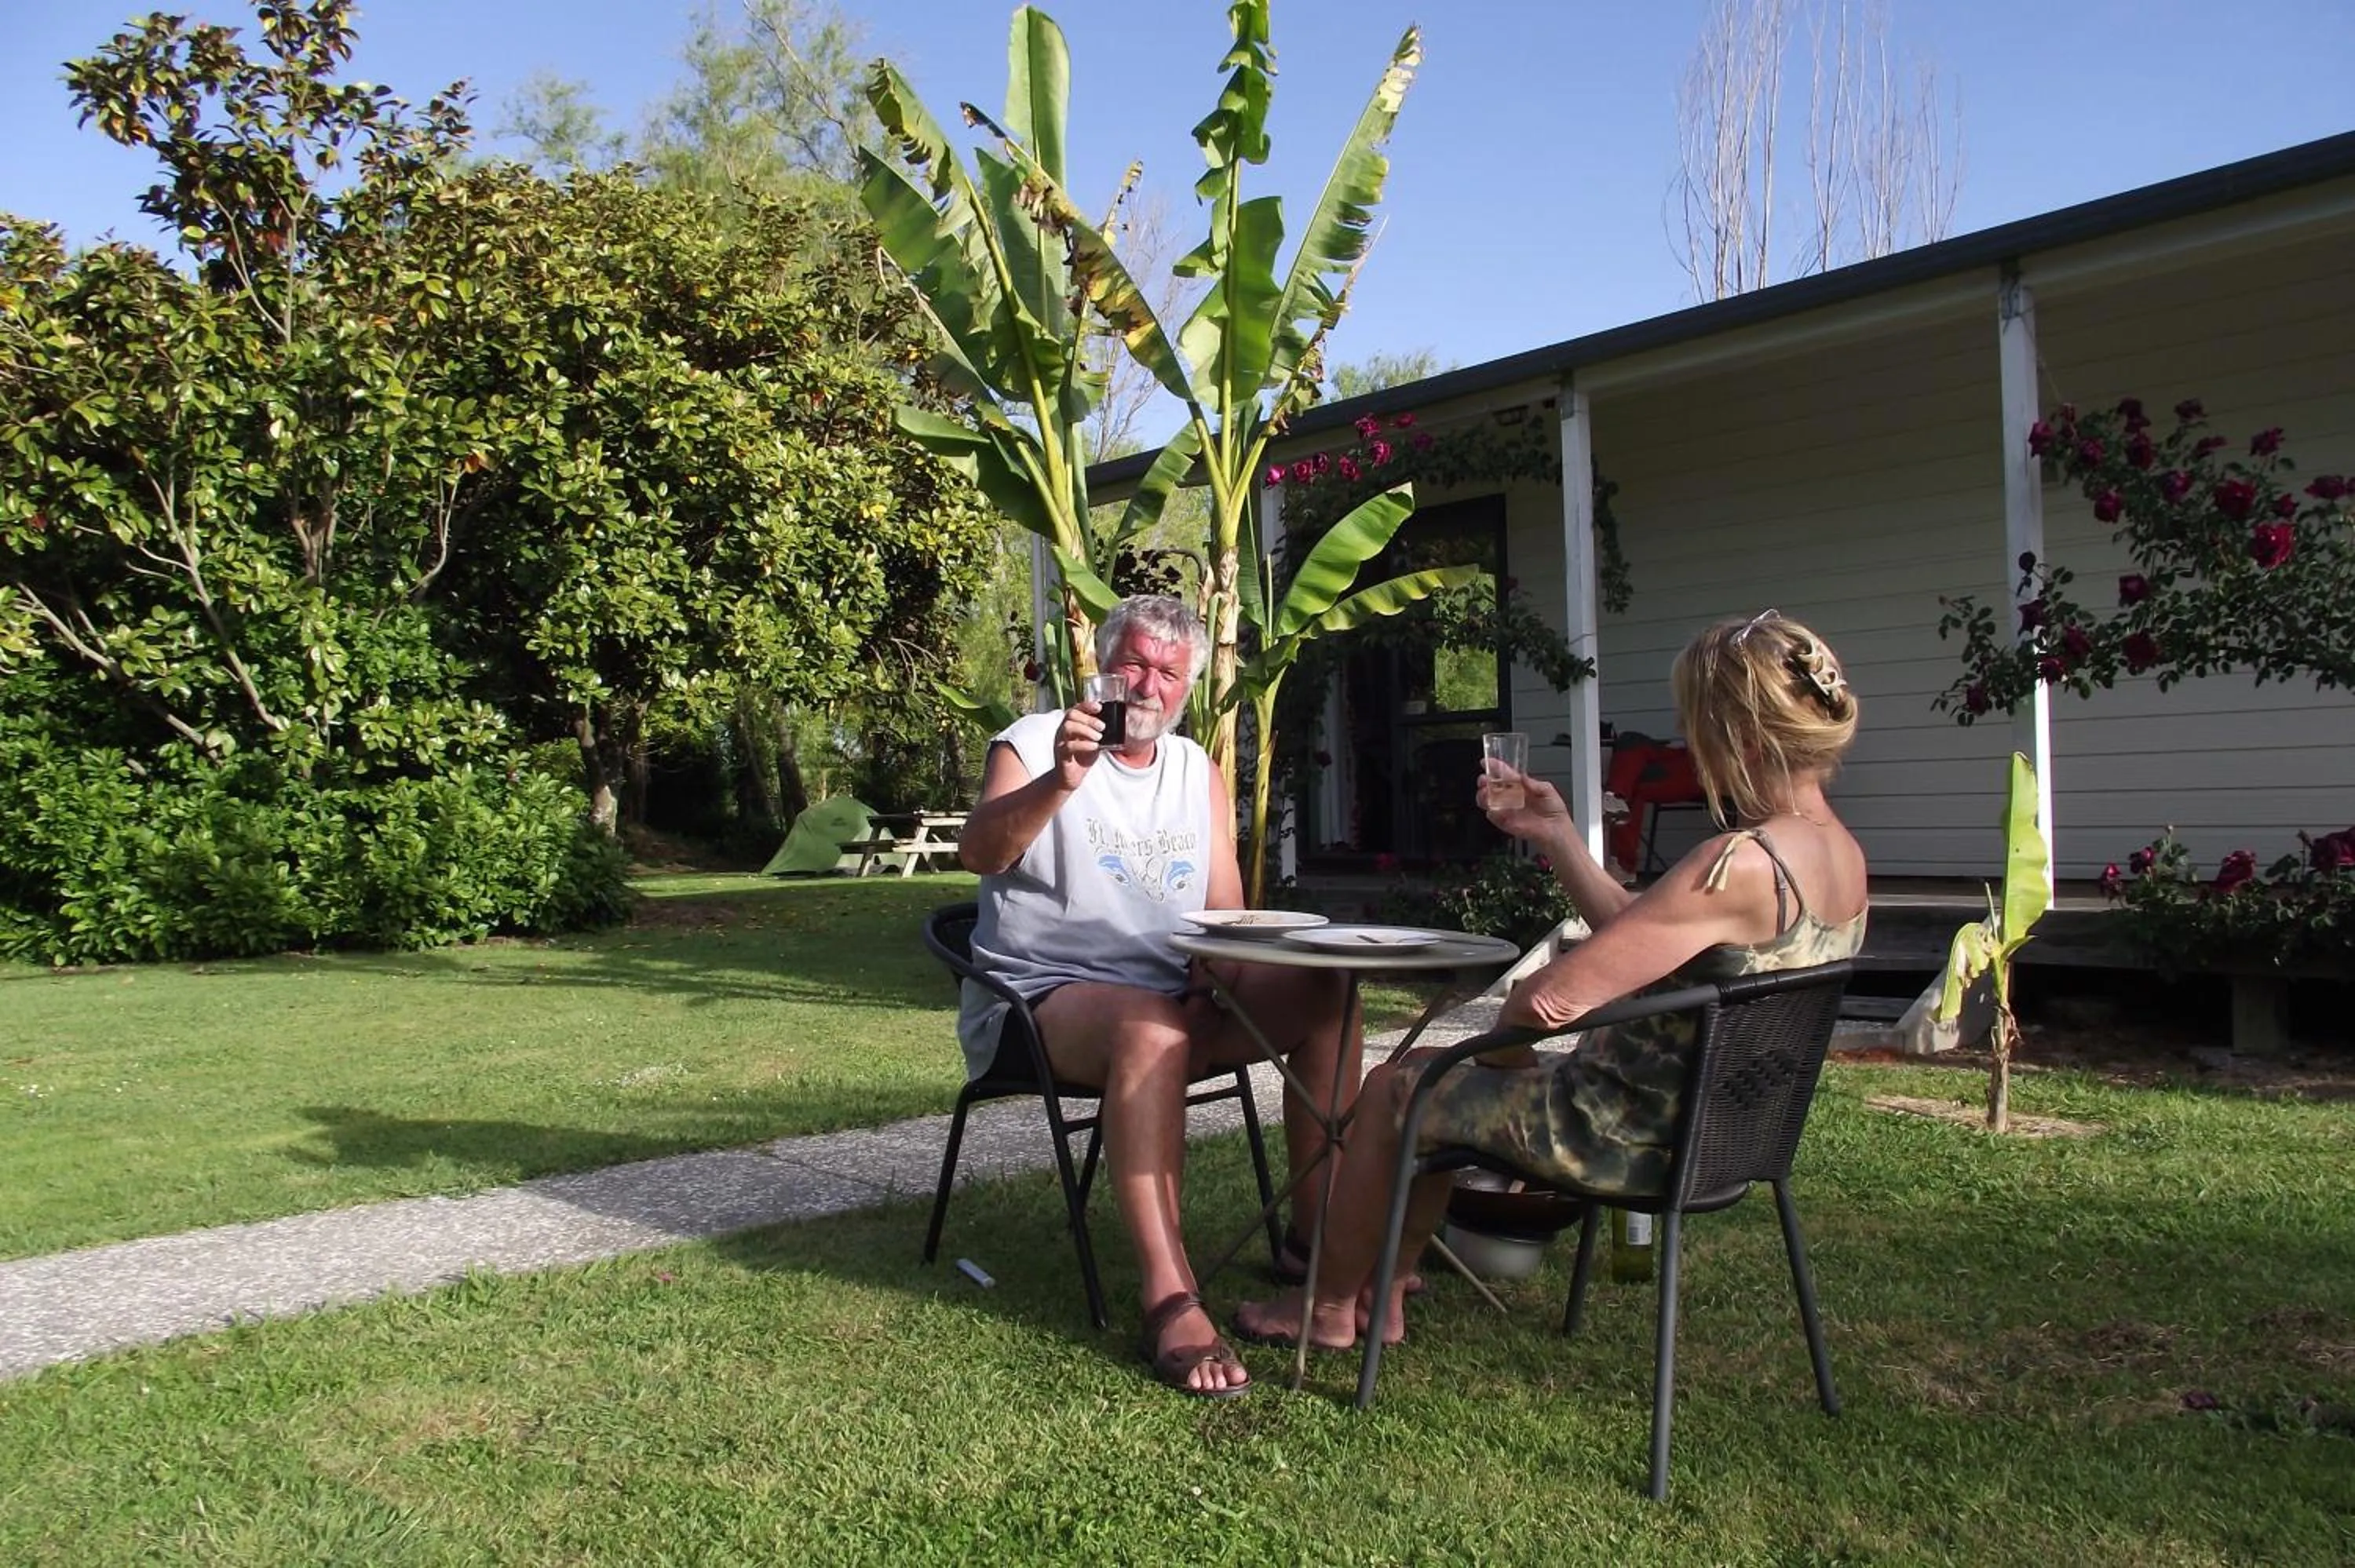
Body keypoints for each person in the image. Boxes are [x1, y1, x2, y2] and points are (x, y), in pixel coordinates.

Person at [1233, 609, 1868, 1351]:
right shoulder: (1841, 857)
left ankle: (1329, 1307)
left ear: (1744, 740)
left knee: (1399, 1088)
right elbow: (1651, 934)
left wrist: (1504, 1061)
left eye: (1697, 728)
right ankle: (1388, 1289)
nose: (1691, 748)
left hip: (1626, 1135)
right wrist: (1558, 834)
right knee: (1432, 1083)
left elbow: (1546, 998)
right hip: (1728, 1131)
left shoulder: (1737, 862)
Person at [957, 595, 1360, 1398]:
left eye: (1169, 673)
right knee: (1151, 1030)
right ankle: (1170, 1297)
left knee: (1329, 994)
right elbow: (980, 852)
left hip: (1174, 1001)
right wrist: (1062, 784)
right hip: (1037, 1004)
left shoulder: (1193, 769)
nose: (1148, 685)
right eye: (1135, 664)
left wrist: (1227, 970)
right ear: (1103, 666)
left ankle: (1314, 1246)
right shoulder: (1037, 742)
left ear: (1189, 688)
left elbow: (1226, 905)